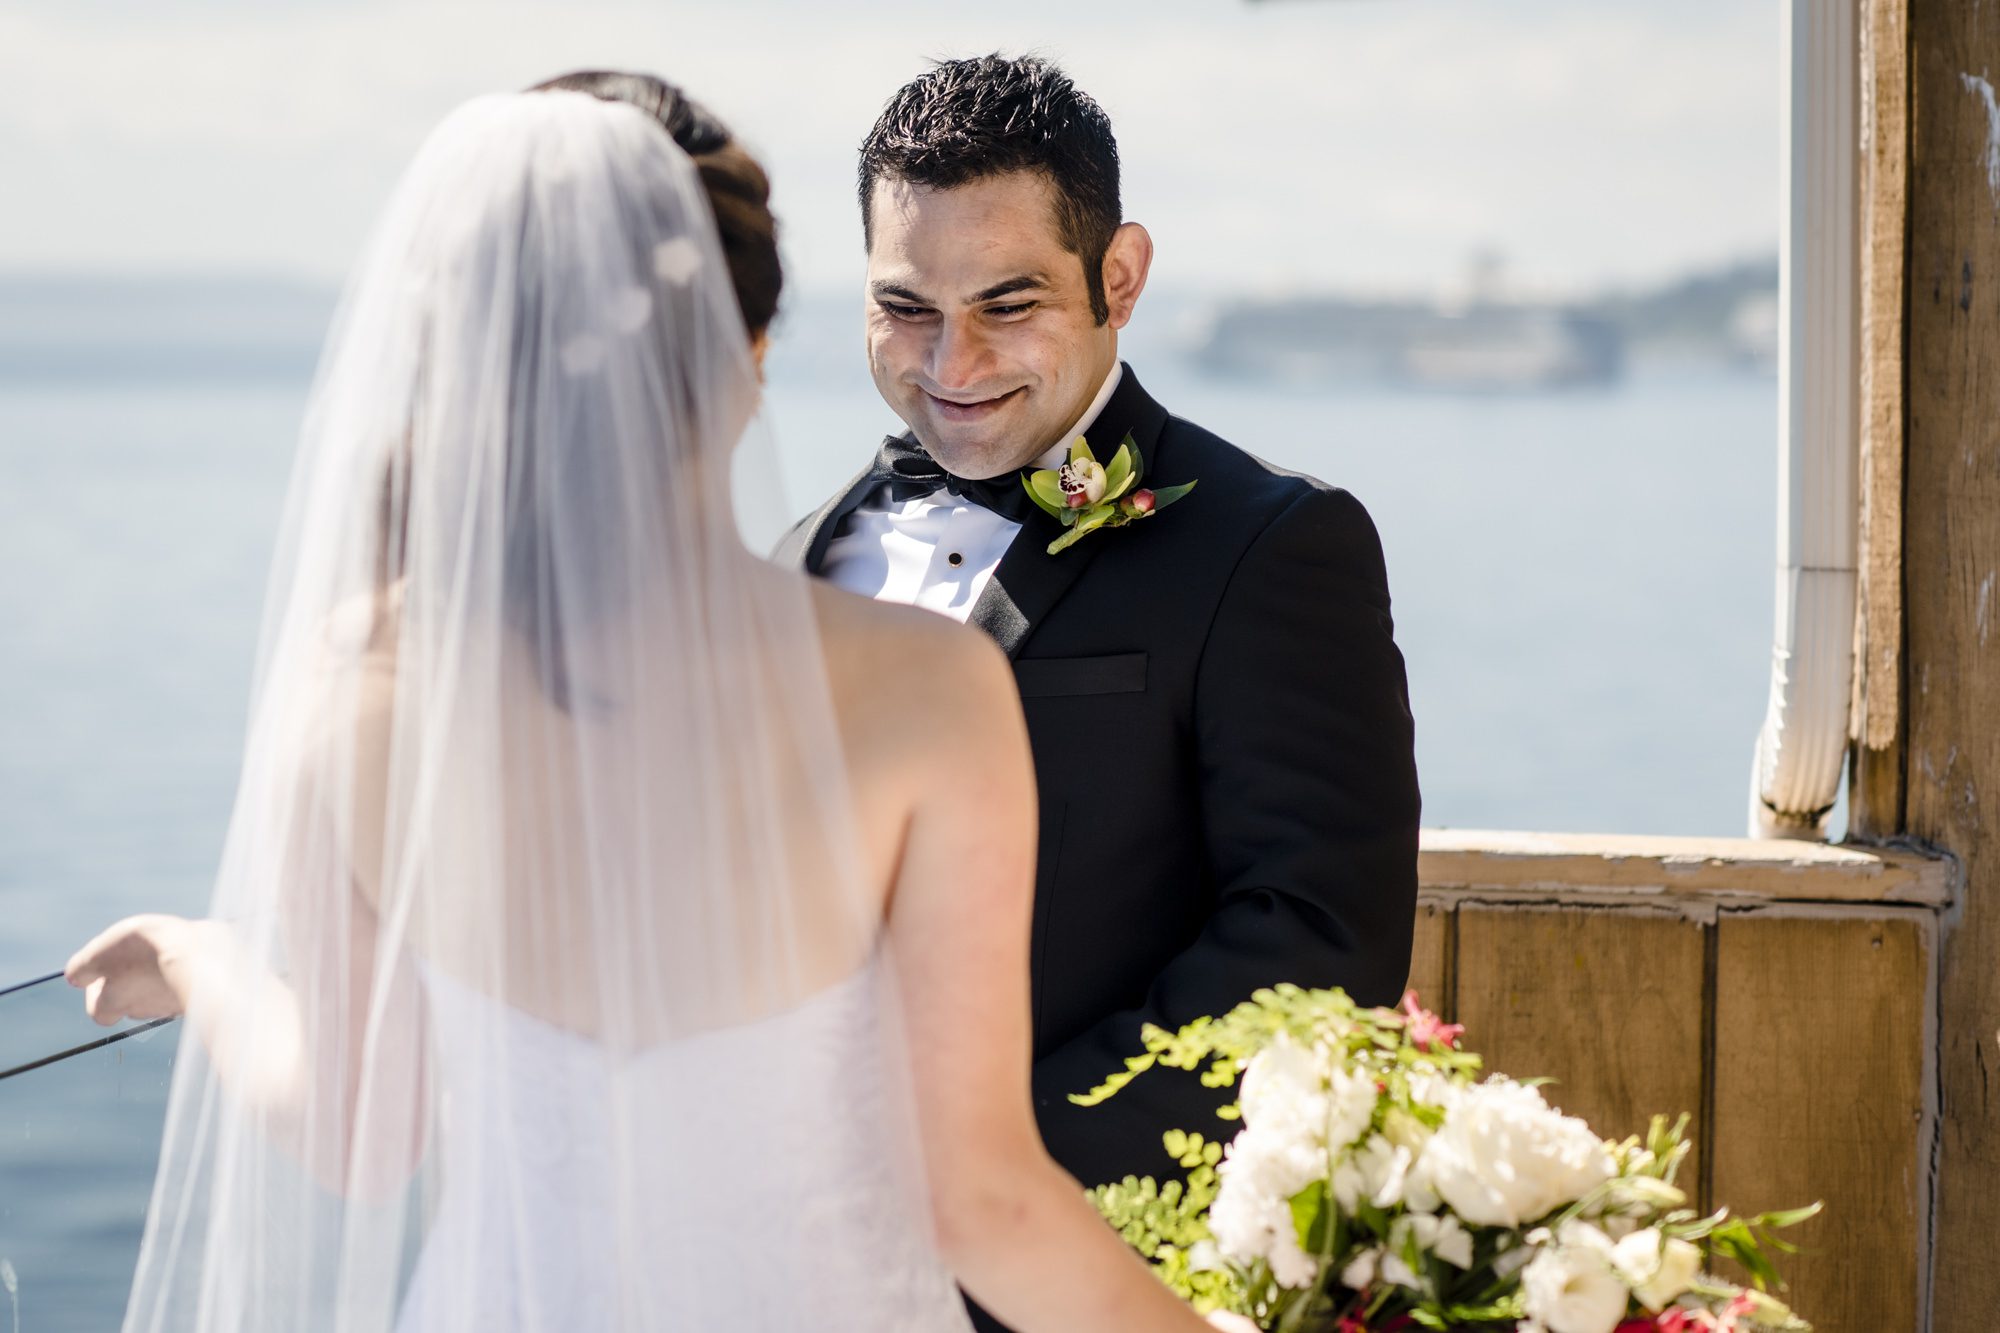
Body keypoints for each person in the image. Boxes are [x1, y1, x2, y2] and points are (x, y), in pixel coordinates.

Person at [65, 76, 1212, 1333]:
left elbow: (353, 1133)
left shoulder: (360, 684)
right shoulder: (922, 687)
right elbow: (981, 1202)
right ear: (748, 352)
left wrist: (202, 957)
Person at [778, 55, 1423, 1288]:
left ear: (1116, 277)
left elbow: (1314, 951)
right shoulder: (796, 556)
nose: (950, 363)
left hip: (1081, 1265)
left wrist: (973, 1187)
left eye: (1006, 304)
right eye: (904, 307)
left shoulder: (1271, 546)